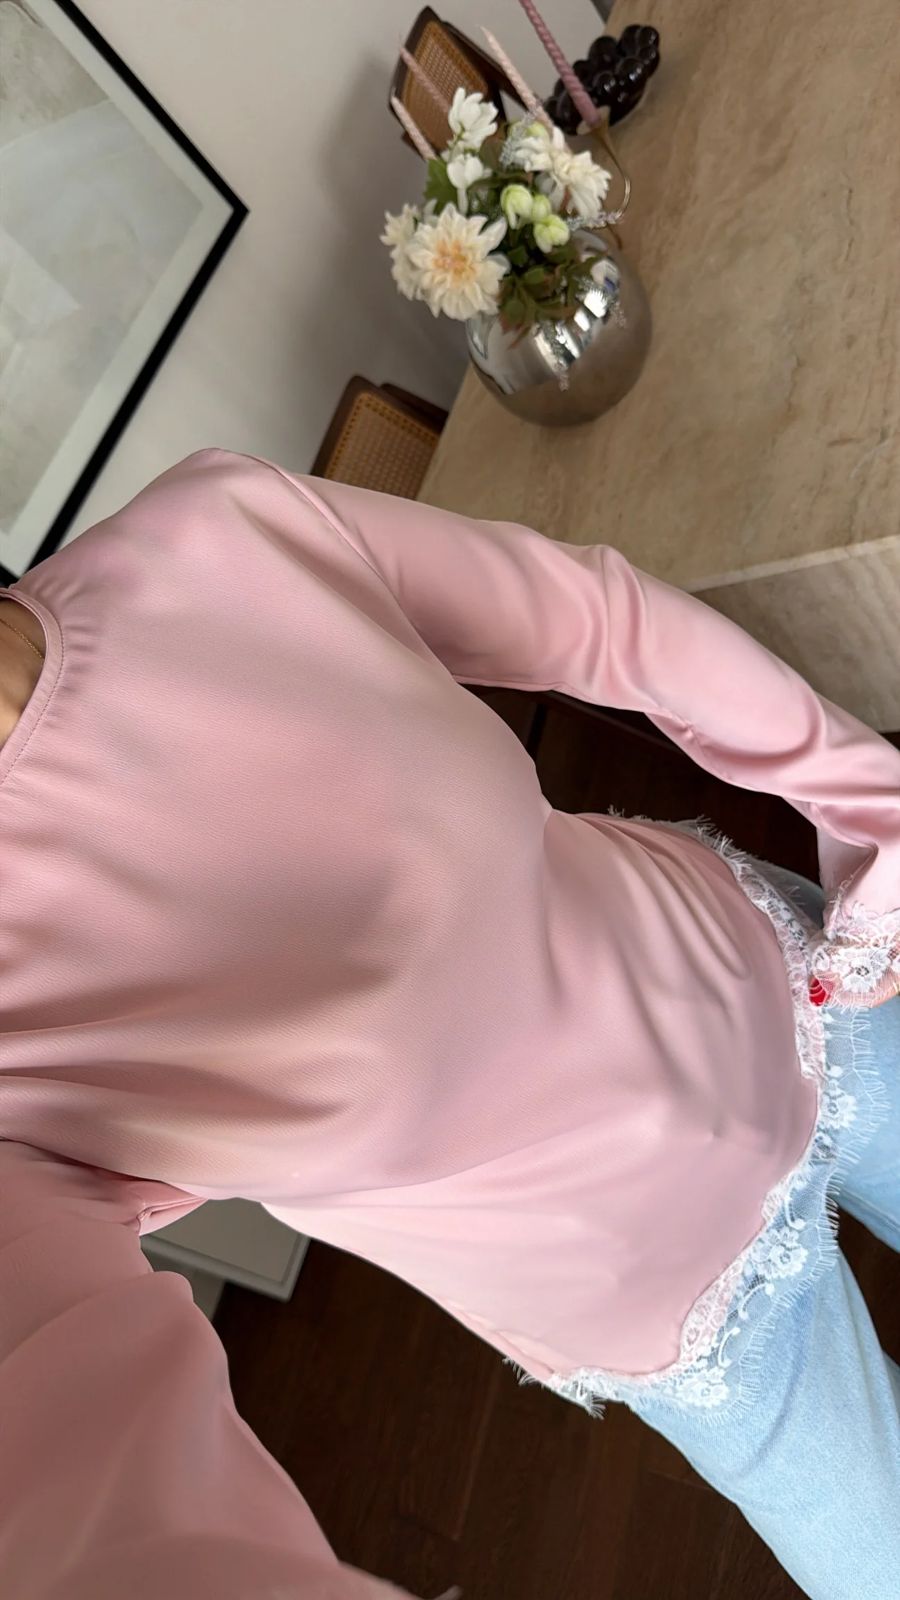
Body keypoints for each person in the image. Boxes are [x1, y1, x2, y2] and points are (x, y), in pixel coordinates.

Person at [0, 449, 897, 1600]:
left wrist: (871, 806)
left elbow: (600, 618)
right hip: (690, 1311)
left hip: (795, 986)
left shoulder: (213, 535)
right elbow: (98, 1503)